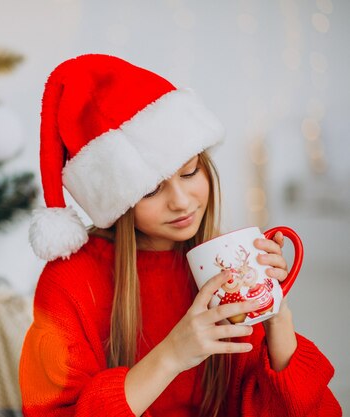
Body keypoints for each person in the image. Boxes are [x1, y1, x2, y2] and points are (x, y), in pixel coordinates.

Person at [19, 54, 341, 417]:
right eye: (151, 191)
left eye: (190, 173)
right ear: (119, 200)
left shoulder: (221, 262)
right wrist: (172, 355)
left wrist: (276, 316)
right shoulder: (70, 281)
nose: (182, 201)